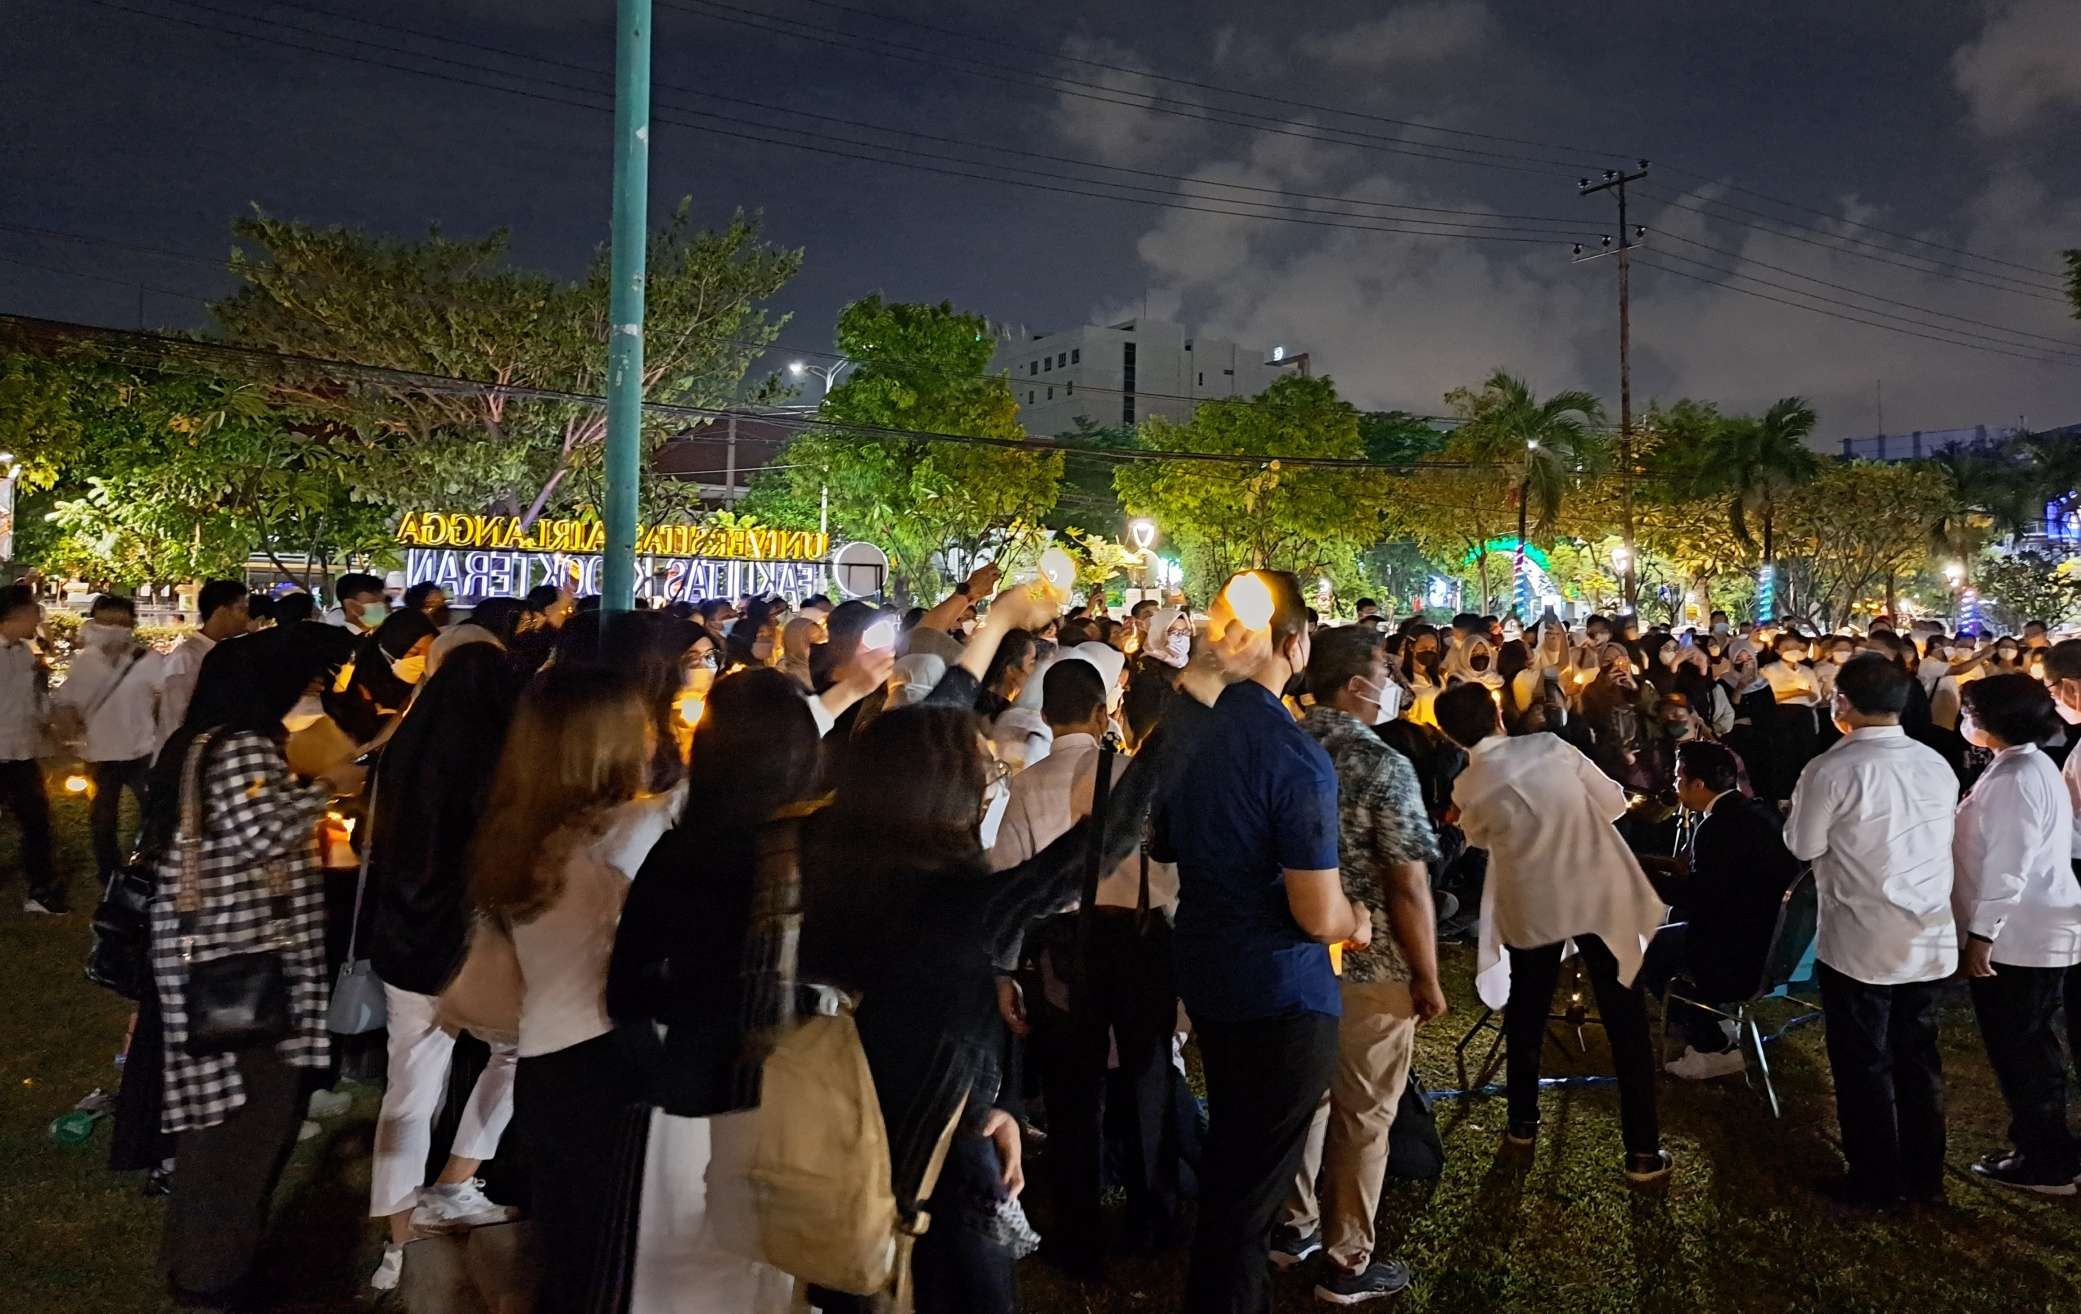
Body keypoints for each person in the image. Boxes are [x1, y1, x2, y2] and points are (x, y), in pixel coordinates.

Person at [800, 583, 1160, 1314]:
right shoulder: (958, 908)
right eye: (979, 770)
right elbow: (1099, 846)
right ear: (947, 796)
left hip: (831, 1143)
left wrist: (995, 622)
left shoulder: (826, 865)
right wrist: (1198, 708)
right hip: (933, 1167)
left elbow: (923, 731)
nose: (991, 772)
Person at [1151, 570, 1370, 1314]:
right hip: (1281, 995)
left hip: (1209, 974)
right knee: (1248, 1200)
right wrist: (1357, 921)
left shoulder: (1185, 738)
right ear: (1296, 642)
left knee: (1233, 1163)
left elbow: (1164, 845)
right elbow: (1316, 914)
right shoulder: (1293, 755)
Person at [145, 627, 367, 1309]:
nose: (311, 695)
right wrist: (326, 785)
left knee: (217, 1125)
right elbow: (261, 832)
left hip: (209, 952)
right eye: (304, 681)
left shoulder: (200, 740)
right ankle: (216, 1275)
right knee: (240, 1124)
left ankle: (201, 1260)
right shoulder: (242, 745)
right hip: (241, 959)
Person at [608, 666, 820, 1313]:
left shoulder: (681, 853)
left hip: (693, 1083)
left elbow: (627, 987)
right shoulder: (825, 856)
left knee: (687, 1260)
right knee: (779, 1263)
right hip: (804, 1085)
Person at [471, 662, 681, 1311]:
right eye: (646, 725)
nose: (656, 739)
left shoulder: (515, 831)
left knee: (569, 1255)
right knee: (620, 1259)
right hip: (610, 1063)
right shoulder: (632, 828)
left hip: (542, 1064)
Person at [988, 658, 1183, 1280]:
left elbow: (1008, 879)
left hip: (1061, 948)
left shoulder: (1026, 785)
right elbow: (1172, 877)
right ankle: (1153, 1215)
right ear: (1104, 714)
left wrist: (1004, 971)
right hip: (1141, 938)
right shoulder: (1135, 776)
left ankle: (1078, 1231)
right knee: (1146, 1077)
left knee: (1074, 1095)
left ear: (1047, 716)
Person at [1435, 681, 1672, 1183]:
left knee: (1528, 1011)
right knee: (1625, 1017)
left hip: (1534, 902)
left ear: (1449, 735)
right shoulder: (1549, 745)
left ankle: (1522, 1123)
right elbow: (1612, 803)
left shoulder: (1468, 787)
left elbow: (1478, 839)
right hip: (1596, 892)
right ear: (1498, 713)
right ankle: (1643, 1152)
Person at [1271, 626, 1442, 1304]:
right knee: (1363, 1114)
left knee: (1301, 1098)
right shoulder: (1381, 765)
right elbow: (1407, 885)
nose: (1393, 684)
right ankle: (1346, 1260)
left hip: (1287, 957)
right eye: (1385, 671)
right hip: (1370, 968)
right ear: (1354, 686)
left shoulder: (1279, 749)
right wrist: (1427, 975)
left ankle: (1293, 1230)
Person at [361, 644, 525, 1293]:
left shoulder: (403, 749)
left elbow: (362, 838)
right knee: (517, 1049)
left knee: (410, 1087)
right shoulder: (497, 761)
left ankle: (399, 1233)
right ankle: (456, 1180)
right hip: (468, 943)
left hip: (404, 942)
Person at [1785, 654, 1960, 1208]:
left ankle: (1875, 1178)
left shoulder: (1832, 769)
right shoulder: (1935, 763)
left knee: (1864, 1061)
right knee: (1917, 1055)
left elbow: (1803, 845)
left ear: (1842, 703)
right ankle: (1924, 1172)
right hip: (1928, 933)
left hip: (1862, 938)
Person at [1952, 674, 2081, 1194]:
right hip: (2037, 928)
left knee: (2020, 1050)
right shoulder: (2028, 765)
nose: (1966, 722)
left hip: (2021, 938)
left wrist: (1983, 935)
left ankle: (2044, 1159)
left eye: (1970, 712)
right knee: (2033, 1046)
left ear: (1990, 721)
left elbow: (2010, 865)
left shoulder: (2014, 778)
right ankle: (2051, 1147)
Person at [1638, 742, 1803, 1079]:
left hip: (1739, 950)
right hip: (1775, 939)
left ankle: (1712, 1046)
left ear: (1698, 784)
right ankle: (1719, 1020)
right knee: (1670, 929)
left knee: (1650, 953)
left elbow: (1700, 898)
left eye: (1677, 779)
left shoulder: (1717, 827)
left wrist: (1645, 879)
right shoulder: (1759, 811)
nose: (1674, 787)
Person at [53, 595, 164, 886]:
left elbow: (167, 697)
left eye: (120, 623)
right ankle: (110, 876)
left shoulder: (148, 660)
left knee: (155, 812)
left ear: (132, 625)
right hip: (100, 755)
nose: (113, 630)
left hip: (142, 751)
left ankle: (149, 865)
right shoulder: (84, 663)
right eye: (105, 623)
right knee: (103, 821)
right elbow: (66, 702)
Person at [0, 594, 59, 912]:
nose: (38, 620)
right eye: (34, 614)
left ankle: (40, 890)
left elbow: (31, 701)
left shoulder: (23, 653)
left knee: (37, 820)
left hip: (21, 753)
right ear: (14, 615)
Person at [157, 580, 248, 748]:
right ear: (221, 611)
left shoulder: (228, 653)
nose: (246, 618)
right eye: (241, 610)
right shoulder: (187, 656)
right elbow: (173, 717)